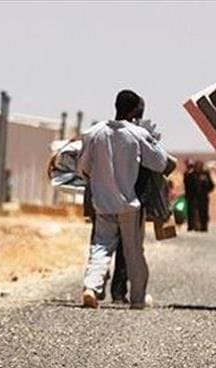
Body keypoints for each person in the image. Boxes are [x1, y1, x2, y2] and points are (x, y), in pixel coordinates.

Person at [78, 90, 170, 309]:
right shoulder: (137, 134)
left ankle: (91, 287)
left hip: (102, 203)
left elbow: (82, 168)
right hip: (129, 204)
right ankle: (138, 298)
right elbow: (160, 163)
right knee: (133, 251)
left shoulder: (94, 133)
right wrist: (153, 140)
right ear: (134, 110)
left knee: (100, 246)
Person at [195, 162, 215, 231]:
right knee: (195, 211)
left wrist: (205, 190)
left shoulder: (206, 174)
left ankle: (204, 226)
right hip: (195, 197)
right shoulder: (193, 174)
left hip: (203, 197)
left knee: (204, 211)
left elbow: (211, 185)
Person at [183, 160, 198, 231]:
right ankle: (191, 225)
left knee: (193, 211)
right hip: (189, 196)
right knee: (190, 211)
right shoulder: (187, 174)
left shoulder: (194, 174)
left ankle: (193, 225)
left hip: (193, 196)